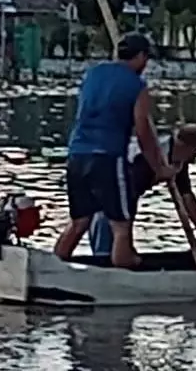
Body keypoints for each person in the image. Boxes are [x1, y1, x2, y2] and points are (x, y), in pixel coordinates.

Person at [53, 32, 178, 269]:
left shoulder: (93, 74)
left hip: (76, 155)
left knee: (79, 221)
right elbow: (143, 132)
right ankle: (124, 263)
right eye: (146, 59)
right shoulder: (136, 85)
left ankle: (55, 264)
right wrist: (160, 168)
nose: (146, 65)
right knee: (121, 223)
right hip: (107, 157)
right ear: (141, 56)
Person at [88, 123, 196, 260]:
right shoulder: (149, 157)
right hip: (107, 192)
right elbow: (126, 194)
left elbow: (187, 199)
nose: (195, 159)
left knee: (122, 240)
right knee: (108, 238)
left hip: (123, 198)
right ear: (187, 147)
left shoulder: (178, 161)